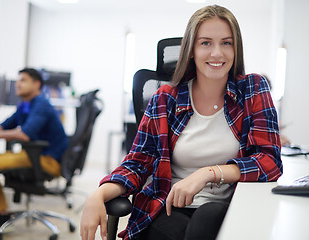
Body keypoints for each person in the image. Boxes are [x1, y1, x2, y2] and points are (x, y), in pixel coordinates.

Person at [80, 5, 283, 240]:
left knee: (208, 216)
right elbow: (138, 163)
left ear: (236, 49)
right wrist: (98, 194)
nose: (217, 53)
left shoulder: (253, 89)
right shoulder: (166, 98)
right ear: (191, 50)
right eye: (205, 43)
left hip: (229, 206)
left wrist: (207, 174)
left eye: (226, 43)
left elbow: (269, 162)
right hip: (168, 206)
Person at [0, 68, 68, 235]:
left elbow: (25, 134)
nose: (17, 83)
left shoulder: (41, 104)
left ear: (36, 84)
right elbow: (6, 125)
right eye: (18, 80)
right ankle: (0, 214)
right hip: (34, 156)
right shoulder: (26, 105)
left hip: (47, 160)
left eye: (23, 80)